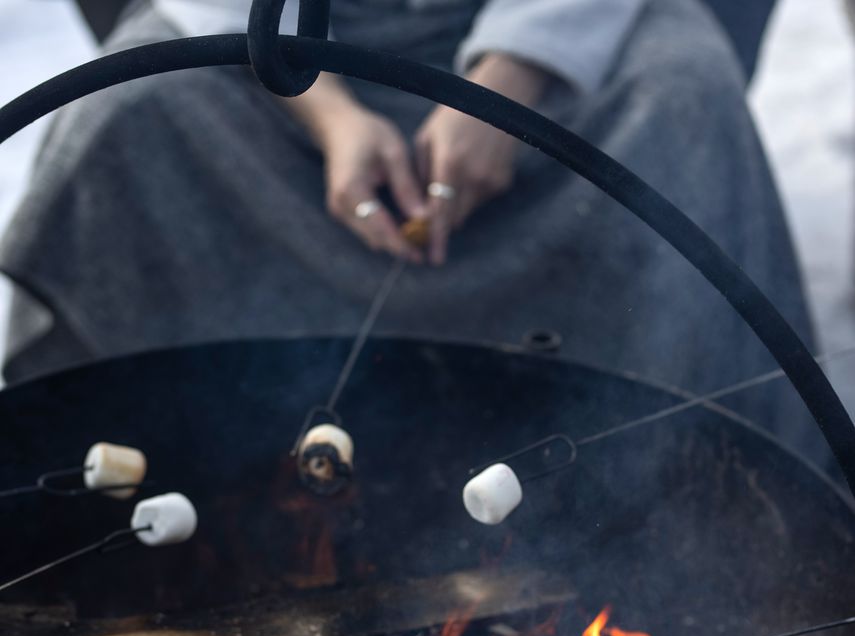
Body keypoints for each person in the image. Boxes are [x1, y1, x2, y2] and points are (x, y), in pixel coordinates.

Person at [0, 0, 818, 455]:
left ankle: (681, 469)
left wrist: (510, 78)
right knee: (123, 124)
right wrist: (326, 113)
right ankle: (135, 466)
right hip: (288, 43)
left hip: (555, 29)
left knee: (685, 101)